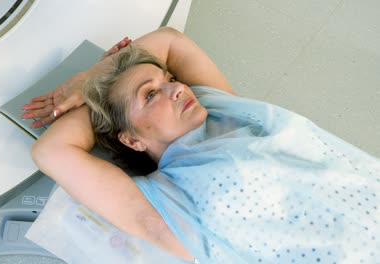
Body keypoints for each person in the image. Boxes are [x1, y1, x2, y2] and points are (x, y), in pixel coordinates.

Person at [23, 27, 380, 263]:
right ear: (132, 139)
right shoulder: (166, 203)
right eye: (150, 95)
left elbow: (171, 41)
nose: (176, 88)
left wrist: (92, 76)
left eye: (169, 79)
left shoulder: (220, 108)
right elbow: (52, 151)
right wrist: (92, 96)